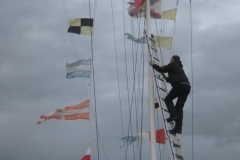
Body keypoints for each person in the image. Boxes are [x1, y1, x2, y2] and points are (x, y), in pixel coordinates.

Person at [149, 55, 191, 134]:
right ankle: (178, 128)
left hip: (179, 85)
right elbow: (173, 78)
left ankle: (173, 115)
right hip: (186, 87)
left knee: (168, 99)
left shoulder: (172, 64)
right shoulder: (179, 68)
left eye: (171, 59)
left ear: (173, 59)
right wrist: (166, 78)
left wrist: (153, 64)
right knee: (179, 108)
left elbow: (162, 70)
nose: (170, 60)